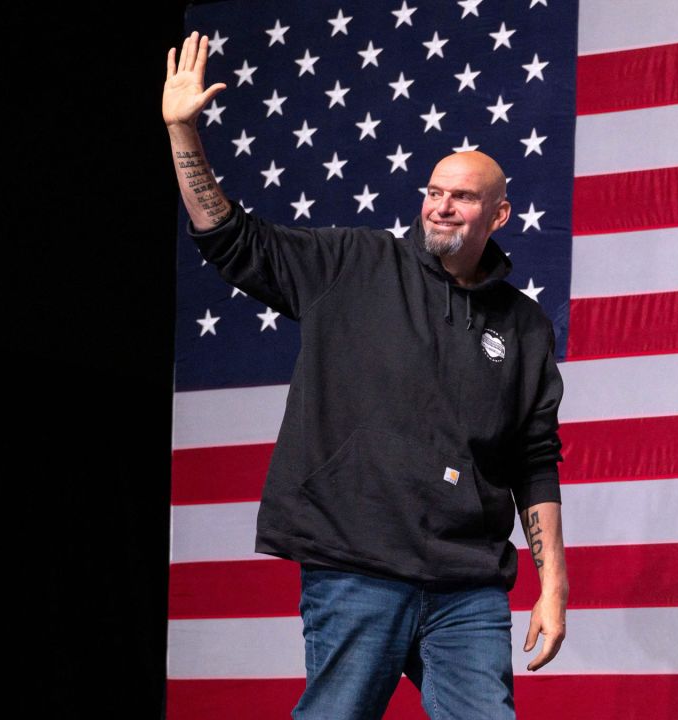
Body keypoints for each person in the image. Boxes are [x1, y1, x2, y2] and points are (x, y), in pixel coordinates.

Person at [162, 32, 568, 720]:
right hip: (356, 565)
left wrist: (552, 583)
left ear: (498, 215)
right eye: (434, 191)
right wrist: (182, 131)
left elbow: (534, 460)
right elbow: (231, 238)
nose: (441, 206)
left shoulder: (523, 326)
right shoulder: (352, 265)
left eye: (462, 198)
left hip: (466, 580)